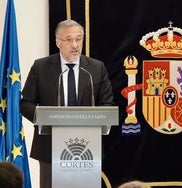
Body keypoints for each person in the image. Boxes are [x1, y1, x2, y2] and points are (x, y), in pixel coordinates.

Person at [20, 19, 114, 188]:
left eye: (79, 39)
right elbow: (26, 103)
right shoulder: (41, 67)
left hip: (86, 149)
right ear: (58, 42)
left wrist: (95, 119)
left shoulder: (96, 69)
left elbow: (107, 105)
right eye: (69, 39)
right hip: (49, 148)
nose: (75, 44)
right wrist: (44, 118)